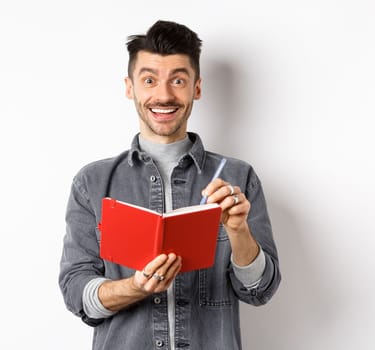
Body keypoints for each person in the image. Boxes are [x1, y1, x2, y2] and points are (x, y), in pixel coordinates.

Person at [58, 20, 281, 350]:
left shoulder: (238, 178)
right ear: (130, 87)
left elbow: (260, 290)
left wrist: (238, 232)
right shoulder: (91, 183)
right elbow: (76, 292)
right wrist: (136, 287)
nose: (163, 95)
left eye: (178, 80)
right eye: (149, 80)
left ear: (197, 88)